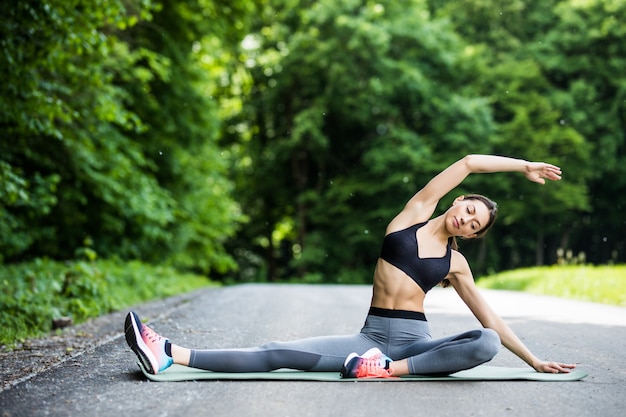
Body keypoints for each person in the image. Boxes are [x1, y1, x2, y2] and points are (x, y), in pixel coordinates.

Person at [125, 154, 576, 378]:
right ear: (458, 202)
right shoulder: (413, 214)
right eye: (469, 209)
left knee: (487, 341)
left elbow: (489, 318)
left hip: (411, 347)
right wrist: (522, 167)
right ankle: (168, 355)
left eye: (475, 223)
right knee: (278, 351)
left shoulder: (456, 265)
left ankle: (381, 372)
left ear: (473, 236)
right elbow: (469, 163)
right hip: (370, 337)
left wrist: (533, 360)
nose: (466, 218)